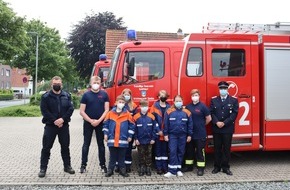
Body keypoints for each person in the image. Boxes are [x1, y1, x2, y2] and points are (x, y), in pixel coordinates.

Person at [38, 76, 75, 178]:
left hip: (64, 125)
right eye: (55, 84)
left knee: (65, 147)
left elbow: (71, 109)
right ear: (51, 85)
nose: (57, 85)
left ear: (61, 84)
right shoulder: (46, 97)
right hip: (50, 126)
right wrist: (55, 120)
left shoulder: (67, 95)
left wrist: (62, 119)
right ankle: (43, 168)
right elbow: (44, 111)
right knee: (46, 148)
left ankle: (67, 166)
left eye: (58, 83)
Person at [79, 76, 109, 173]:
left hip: (100, 123)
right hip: (88, 123)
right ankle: (83, 165)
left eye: (98, 82)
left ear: (100, 83)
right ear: (91, 83)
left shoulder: (104, 94)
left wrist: (99, 121)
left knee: (101, 145)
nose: (96, 83)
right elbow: (81, 111)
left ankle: (103, 165)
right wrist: (91, 121)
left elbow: (107, 110)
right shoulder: (86, 95)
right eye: (94, 82)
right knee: (86, 144)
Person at [210, 81, 239, 176]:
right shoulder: (213, 100)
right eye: (221, 89)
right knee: (217, 149)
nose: (223, 90)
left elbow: (234, 114)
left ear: (227, 89)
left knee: (226, 149)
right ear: (219, 89)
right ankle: (217, 167)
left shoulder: (233, 100)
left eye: (224, 89)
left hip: (227, 128)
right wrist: (216, 122)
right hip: (217, 128)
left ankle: (226, 167)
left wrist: (224, 123)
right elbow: (211, 113)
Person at [103, 95, 135, 177]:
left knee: (122, 157)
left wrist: (130, 136)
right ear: (116, 103)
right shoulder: (110, 113)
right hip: (112, 139)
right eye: (119, 102)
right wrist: (105, 134)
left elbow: (132, 125)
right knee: (112, 156)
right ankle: (110, 170)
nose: (121, 104)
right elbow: (105, 125)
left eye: (123, 102)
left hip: (123, 140)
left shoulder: (127, 114)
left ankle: (122, 170)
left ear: (125, 104)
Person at [183, 89, 212, 176]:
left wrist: (202, 125)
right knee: (189, 151)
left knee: (200, 151)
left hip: (200, 134)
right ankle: (189, 166)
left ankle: (200, 168)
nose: (194, 97)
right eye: (193, 95)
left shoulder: (203, 107)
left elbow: (209, 119)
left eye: (196, 95)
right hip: (190, 134)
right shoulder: (188, 107)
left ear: (199, 96)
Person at [163, 95, 193, 177]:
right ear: (174, 102)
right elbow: (166, 124)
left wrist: (189, 135)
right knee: (172, 151)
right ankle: (171, 171)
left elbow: (190, 125)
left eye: (180, 101)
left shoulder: (187, 112)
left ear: (182, 102)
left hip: (183, 135)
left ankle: (178, 169)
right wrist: (165, 134)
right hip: (172, 135)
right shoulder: (169, 111)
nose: (178, 102)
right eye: (177, 101)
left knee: (181, 152)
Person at [133, 99, 159, 176]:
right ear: (140, 106)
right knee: (141, 155)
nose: (144, 107)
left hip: (149, 140)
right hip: (140, 140)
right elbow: (134, 129)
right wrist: (136, 139)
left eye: (146, 106)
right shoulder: (136, 117)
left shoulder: (152, 116)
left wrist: (153, 138)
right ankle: (142, 167)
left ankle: (148, 168)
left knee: (149, 155)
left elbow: (155, 128)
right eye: (143, 106)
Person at [150, 90, 171, 174]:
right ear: (158, 97)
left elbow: (170, 121)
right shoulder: (154, 106)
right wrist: (158, 130)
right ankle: (158, 168)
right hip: (157, 134)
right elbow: (152, 119)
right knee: (158, 151)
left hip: (166, 134)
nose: (162, 96)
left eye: (164, 94)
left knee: (165, 151)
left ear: (166, 96)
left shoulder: (169, 107)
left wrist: (165, 132)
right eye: (161, 95)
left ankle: (164, 168)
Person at [121, 88, 138, 173]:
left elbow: (135, 119)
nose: (126, 96)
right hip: (121, 131)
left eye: (128, 95)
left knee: (128, 150)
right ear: (122, 95)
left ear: (130, 96)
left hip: (129, 131)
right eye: (125, 94)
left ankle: (128, 166)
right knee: (121, 149)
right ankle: (120, 166)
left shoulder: (134, 106)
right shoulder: (119, 104)